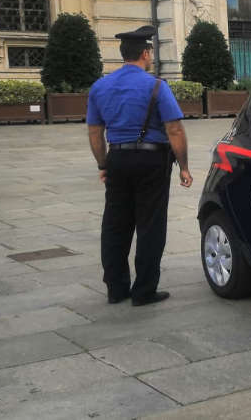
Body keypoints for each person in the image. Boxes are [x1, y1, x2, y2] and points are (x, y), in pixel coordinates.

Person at [86, 25, 193, 307]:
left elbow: (95, 133)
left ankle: (116, 289)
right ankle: (144, 290)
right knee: (150, 225)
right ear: (145, 53)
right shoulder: (156, 86)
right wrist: (183, 166)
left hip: (118, 159)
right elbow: (175, 130)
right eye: (151, 53)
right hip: (152, 160)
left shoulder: (100, 87)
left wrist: (103, 164)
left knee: (115, 225)